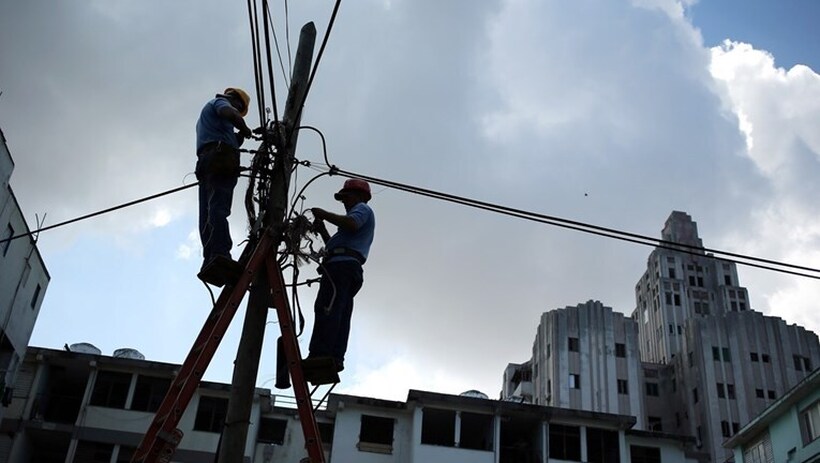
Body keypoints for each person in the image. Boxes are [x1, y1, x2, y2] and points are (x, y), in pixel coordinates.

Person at [305, 179, 376, 374]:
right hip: (343, 267)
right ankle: (333, 355)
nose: (344, 202)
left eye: (346, 197)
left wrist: (325, 214)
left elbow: (352, 224)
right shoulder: (346, 230)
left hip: (342, 267)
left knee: (328, 308)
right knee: (339, 310)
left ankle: (322, 353)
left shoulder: (362, 210)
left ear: (360, 196)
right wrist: (323, 231)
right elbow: (336, 246)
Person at [195, 87, 253, 286]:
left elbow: (223, 133)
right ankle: (221, 253)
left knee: (208, 212)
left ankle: (210, 257)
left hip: (207, 162)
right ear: (236, 101)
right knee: (219, 209)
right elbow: (228, 113)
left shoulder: (211, 118)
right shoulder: (221, 103)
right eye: (240, 108)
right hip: (220, 159)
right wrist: (244, 127)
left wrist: (238, 137)